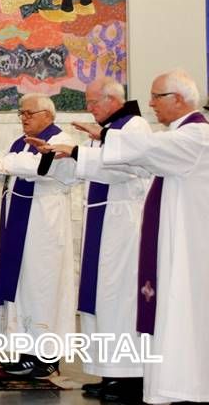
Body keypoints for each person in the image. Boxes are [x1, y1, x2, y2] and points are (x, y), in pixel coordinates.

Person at [49, 70, 209, 404]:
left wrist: (102, 139)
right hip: (168, 237)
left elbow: (145, 152)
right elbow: (139, 163)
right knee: (159, 308)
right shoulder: (176, 135)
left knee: (174, 309)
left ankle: (178, 384)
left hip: (183, 243)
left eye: (156, 97)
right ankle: (162, 382)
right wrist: (84, 151)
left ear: (178, 99)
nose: (149, 104)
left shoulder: (196, 134)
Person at [30, 78, 150, 402]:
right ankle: (110, 372)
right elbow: (92, 168)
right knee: (102, 300)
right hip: (103, 221)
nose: (89, 108)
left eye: (93, 102)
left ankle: (132, 379)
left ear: (112, 99)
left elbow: (124, 168)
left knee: (121, 300)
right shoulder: (106, 130)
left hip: (124, 224)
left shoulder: (134, 126)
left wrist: (77, 153)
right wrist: (64, 157)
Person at [0, 93, 76, 378]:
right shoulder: (20, 143)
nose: (24, 118)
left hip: (44, 225)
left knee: (43, 289)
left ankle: (48, 356)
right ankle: (27, 353)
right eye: (21, 113)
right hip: (19, 225)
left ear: (48, 116)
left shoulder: (61, 142)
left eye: (29, 113)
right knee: (23, 288)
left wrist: (0, 160)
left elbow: (40, 168)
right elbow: (10, 174)